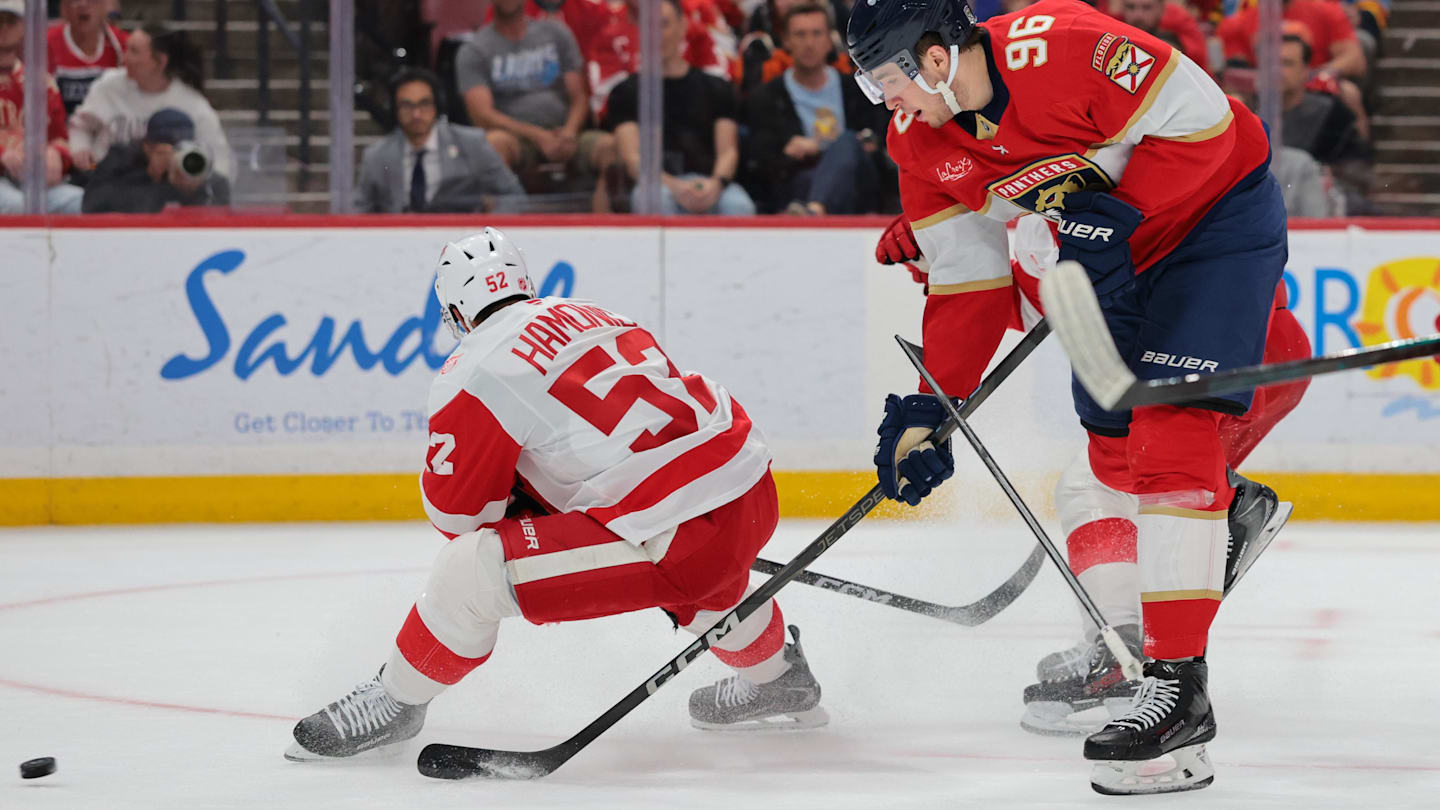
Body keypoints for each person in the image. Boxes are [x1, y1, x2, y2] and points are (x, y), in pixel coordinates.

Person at [849, 0, 1286, 794]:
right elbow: (968, 284)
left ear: (934, 58)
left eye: (885, 80)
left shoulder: (1071, 48)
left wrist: (1115, 218)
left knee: (1169, 432)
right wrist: (933, 409)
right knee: (1112, 457)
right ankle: (1228, 516)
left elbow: (1203, 127)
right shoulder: (920, 143)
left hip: (1210, 228)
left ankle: (1177, 694)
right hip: (1105, 263)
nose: (884, 102)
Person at [286, 228, 827, 761]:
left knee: (467, 572)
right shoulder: (595, 313)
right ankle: (779, 678)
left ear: (454, 313)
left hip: (677, 529)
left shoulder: (475, 366)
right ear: (524, 282)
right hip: (749, 490)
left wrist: (524, 498)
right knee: (676, 563)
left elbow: (458, 515)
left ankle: (396, 701)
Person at [456, 0, 616, 211]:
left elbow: (579, 97)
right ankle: (501, 229)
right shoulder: (474, 50)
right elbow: (482, 115)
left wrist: (569, 132)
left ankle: (604, 231)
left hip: (565, 134)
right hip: (516, 139)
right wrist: (538, 136)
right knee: (492, 145)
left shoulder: (557, 33)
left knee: (612, 148)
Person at [742, 2, 893, 214]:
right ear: (786, 40)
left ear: (830, 40)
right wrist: (789, 154)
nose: (809, 43)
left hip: (858, 185)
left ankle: (814, 209)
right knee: (808, 179)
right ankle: (815, 206)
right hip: (800, 185)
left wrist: (859, 144)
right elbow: (760, 164)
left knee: (848, 141)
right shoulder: (766, 97)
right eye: (800, 35)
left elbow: (880, 141)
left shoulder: (857, 88)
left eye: (816, 34)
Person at [607, 0, 755, 215]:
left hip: (708, 182)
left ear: (683, 26)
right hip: (658, 183)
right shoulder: (625, 92)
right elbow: (633, 159)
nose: (657, 34)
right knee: (655, 200)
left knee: (739, 206)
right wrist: (673, 185)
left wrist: (716, 184)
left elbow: (728, 151)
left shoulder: (717, 88)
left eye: (664, 24)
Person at [68, 23, 232, 178]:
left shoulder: (192, 104)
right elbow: (80, 127)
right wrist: (81, 148)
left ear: (160, 62)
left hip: (163, 195)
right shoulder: (108, 86)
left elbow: (220, 164)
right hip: (102, 183)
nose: (124, 59)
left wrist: (192, 181)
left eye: (134, 51)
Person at [355, 67, 525, 214]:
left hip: (463, 242)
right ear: (395, 110)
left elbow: (513, 196)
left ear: (437, 106)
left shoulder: (471, 143)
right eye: (407, 106)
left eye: (424, 103)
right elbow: (359, 212)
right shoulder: (376, 156)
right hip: (395, 243)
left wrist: (485, 229)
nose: (416, 114)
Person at [0, 0, 83, 214]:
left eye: (11, 21)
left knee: (80, 201)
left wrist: (56, 155)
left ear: (23, 27)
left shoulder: (40, 82)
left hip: (34, 180)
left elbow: (60, 136)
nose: (3, 28)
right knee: (16, 206)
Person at [80, 107, 229, 212]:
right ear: (147, 146)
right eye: (169, 149)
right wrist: (152, 178)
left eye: (181, 147)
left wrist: (193, 191)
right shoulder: (121, 161)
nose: (175, 155)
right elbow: (91, 205)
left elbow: (218, 217)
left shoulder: (203, 173)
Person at [47, 0, 127, 114]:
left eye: (92, 1)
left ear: (106, 6)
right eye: (75, 1)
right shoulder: (47, 43)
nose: (83, 5)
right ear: (64, 9)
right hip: (64, 126)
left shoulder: (123, 44)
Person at [1113, 0, 1207, 73]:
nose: (1138, 15)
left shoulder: (1179, 22)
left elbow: (1196, 59)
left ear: (1161, 8)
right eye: (1130, 7)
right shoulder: (1114, 24)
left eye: (1147, 7)